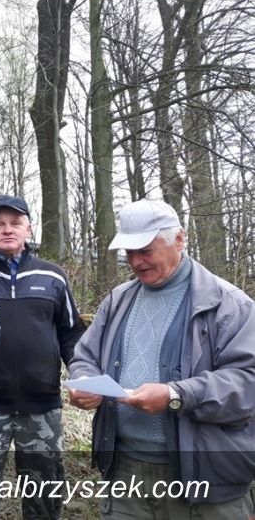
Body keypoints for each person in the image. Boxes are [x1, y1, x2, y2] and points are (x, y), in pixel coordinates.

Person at [68, 199, 255, 517]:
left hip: (206, 478)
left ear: (179, 239)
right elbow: (86, 356)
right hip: (124, 473)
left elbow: (247, 382)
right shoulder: (118, 300)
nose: (135, 262)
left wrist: (175, 395)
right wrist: (84, 381)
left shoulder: (229, 305)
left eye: (145, 250)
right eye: (129, 252)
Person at [0, 194, 85, 520]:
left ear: (28, 228)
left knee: (44, 501)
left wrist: (81, 371)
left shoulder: (53, 276)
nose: (8, 229)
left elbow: (71, 332)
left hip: (42, 406)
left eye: (16, 223)